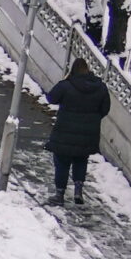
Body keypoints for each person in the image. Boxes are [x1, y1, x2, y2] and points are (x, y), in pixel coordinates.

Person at [45, 57, 113, 206]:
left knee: (62, 161)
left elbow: (51, 98)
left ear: (73, 70)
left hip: (65, 132)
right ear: (88, 70)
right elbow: (105, 109)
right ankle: (78, 191)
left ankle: (59, 195)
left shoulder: (66, 85)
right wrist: (92, 119)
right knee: (81, 160)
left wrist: (64, 81)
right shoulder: (100, 87)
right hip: (88, 134)